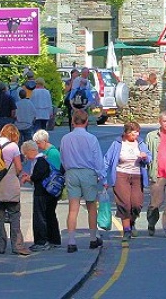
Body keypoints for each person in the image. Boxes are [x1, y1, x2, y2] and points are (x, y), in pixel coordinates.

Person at [59, 108, 105, 253]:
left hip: (72, 172)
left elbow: (63, 158)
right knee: (91, 206)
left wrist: (68, 170)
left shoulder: (65, 138)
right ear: (86, 122)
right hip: (88, 173)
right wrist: (102, 176)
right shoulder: (91, 138)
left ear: (73, 121)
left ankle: (71, 241)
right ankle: (92, 238)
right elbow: (97, 159)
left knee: (73, 208)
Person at [0, 123, 31, 256]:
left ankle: (0, 246)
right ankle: (17, 246)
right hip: (10, 187)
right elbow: (19, 167)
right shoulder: (13, 147)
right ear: (14, 135)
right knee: (14, 216)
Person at [103, 121, 151, 241]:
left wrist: (145, 157)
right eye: (134, 132)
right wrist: (103, 177)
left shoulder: (140, 143)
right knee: (124, 203)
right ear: (126, 133)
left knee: (136, 204)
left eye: (138, 132)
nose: (137, 134)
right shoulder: (117, 143)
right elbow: (107, 160)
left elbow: (149, 158)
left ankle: (132, 221)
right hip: (121, 175)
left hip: (137, 175)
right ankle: (126, 231)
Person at [20, 140, 62, 251]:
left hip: (42, 194)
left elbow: (37, 177)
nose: (26, 156)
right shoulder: (44, 159)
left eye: (25, 153)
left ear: (31, 151)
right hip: (49, 193)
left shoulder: (39, 161)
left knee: (40, 217)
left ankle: (42, 241)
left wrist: (29, 178)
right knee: (50, 215)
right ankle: (54, 239)